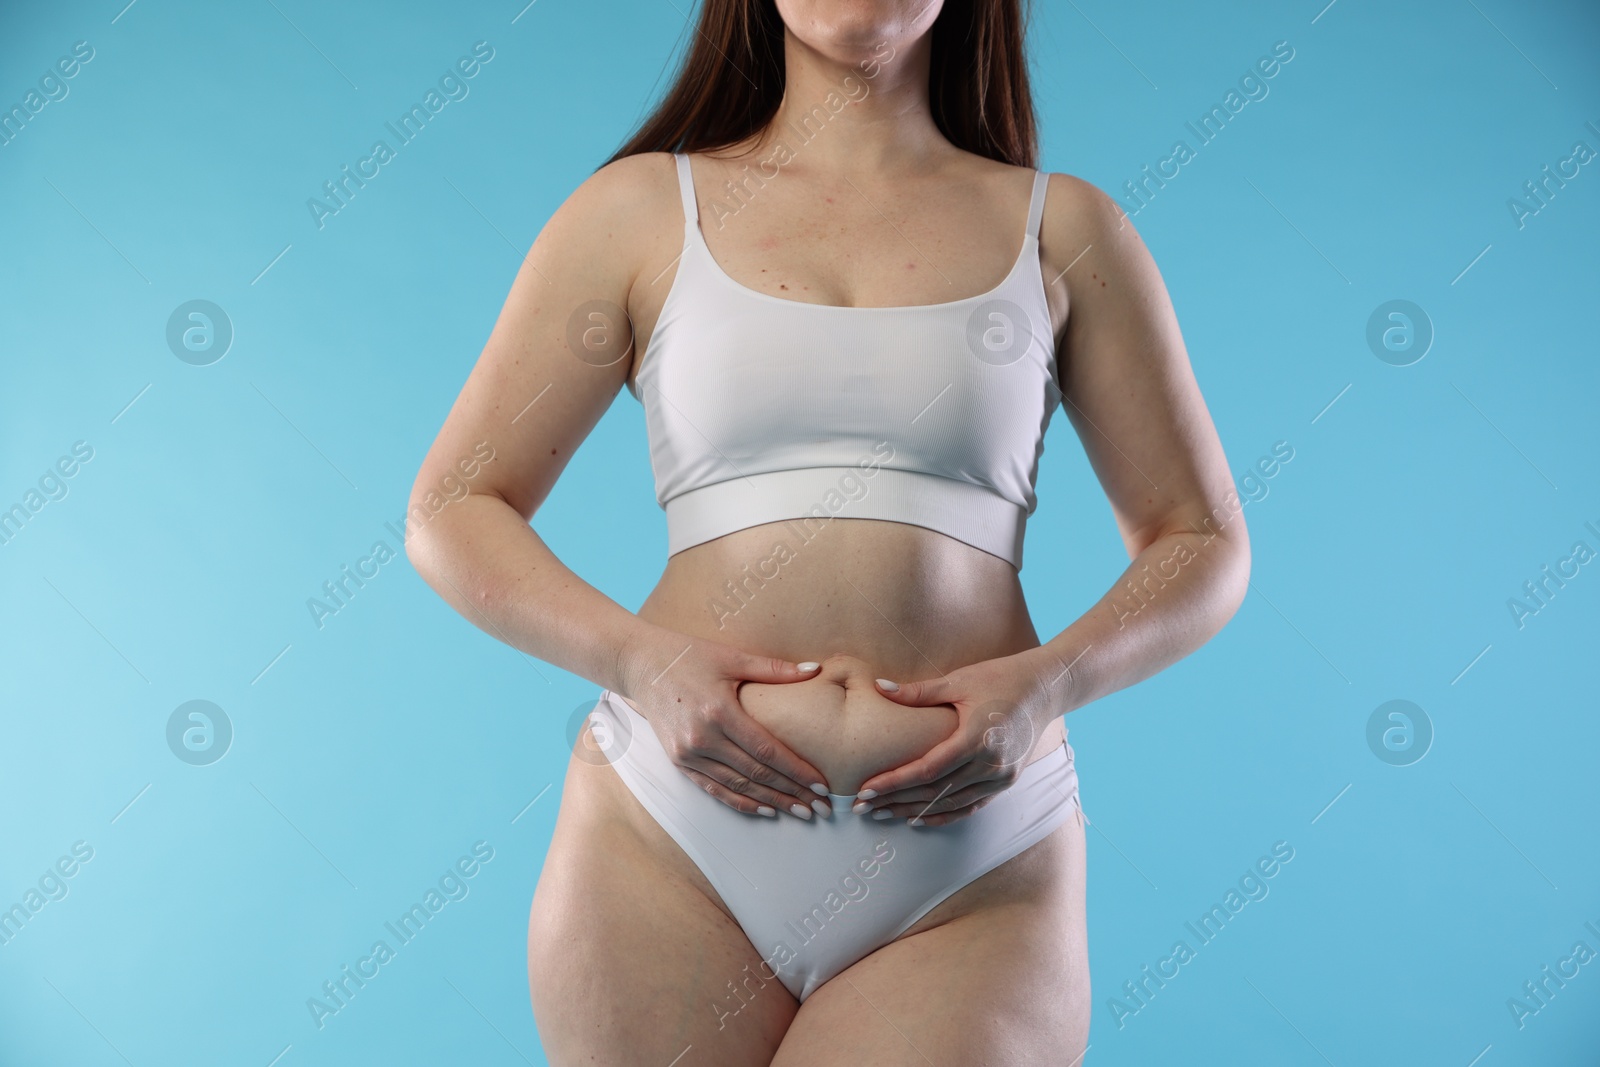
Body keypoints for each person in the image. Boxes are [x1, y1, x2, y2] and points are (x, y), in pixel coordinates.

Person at [406, 0, 1249, 1062]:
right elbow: (453, 506)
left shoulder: (1065, 231)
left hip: (968, 870)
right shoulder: (636, 212)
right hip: (669, 840)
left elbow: (1199, 539)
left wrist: (1049, 683)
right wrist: (639, 659)